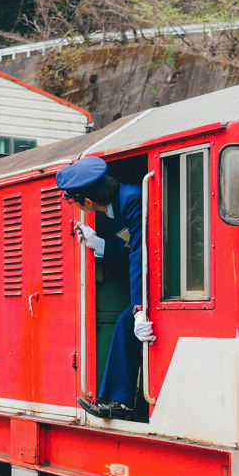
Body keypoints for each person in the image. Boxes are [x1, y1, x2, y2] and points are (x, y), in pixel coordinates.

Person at [56, 156, 155, 420]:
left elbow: (140, 254)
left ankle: (119, 403)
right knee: (124, 324)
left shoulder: (131, 200)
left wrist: (139, 308)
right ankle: (118, 401)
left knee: (125, 322)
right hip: (150, 280)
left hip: (160, 281)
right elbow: (130, 250)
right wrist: (98, 244)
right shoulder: (118, 205)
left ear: (87, 202)